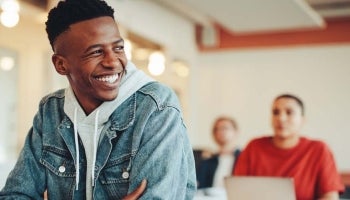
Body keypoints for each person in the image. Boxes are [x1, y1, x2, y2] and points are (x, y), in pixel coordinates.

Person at [0, 0, 196, 199]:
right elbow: (14, 195)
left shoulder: (156, 106)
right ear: (61, 65)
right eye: (95, 52)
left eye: (118, 48)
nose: (113, 62)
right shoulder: (51, 110)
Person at [233, 94, 344, 200]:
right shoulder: (254, 147)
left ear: (302, 120)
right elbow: (236, 191)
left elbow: (330, 197)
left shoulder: (319, 150)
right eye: (275, 112)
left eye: (289, 112)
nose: (281, 118)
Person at [196, 116, 241, 190]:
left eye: (225, 128)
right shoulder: (207, 161)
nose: (220, 131)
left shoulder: (244, 158)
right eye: (216, 129)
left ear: (236, 132)